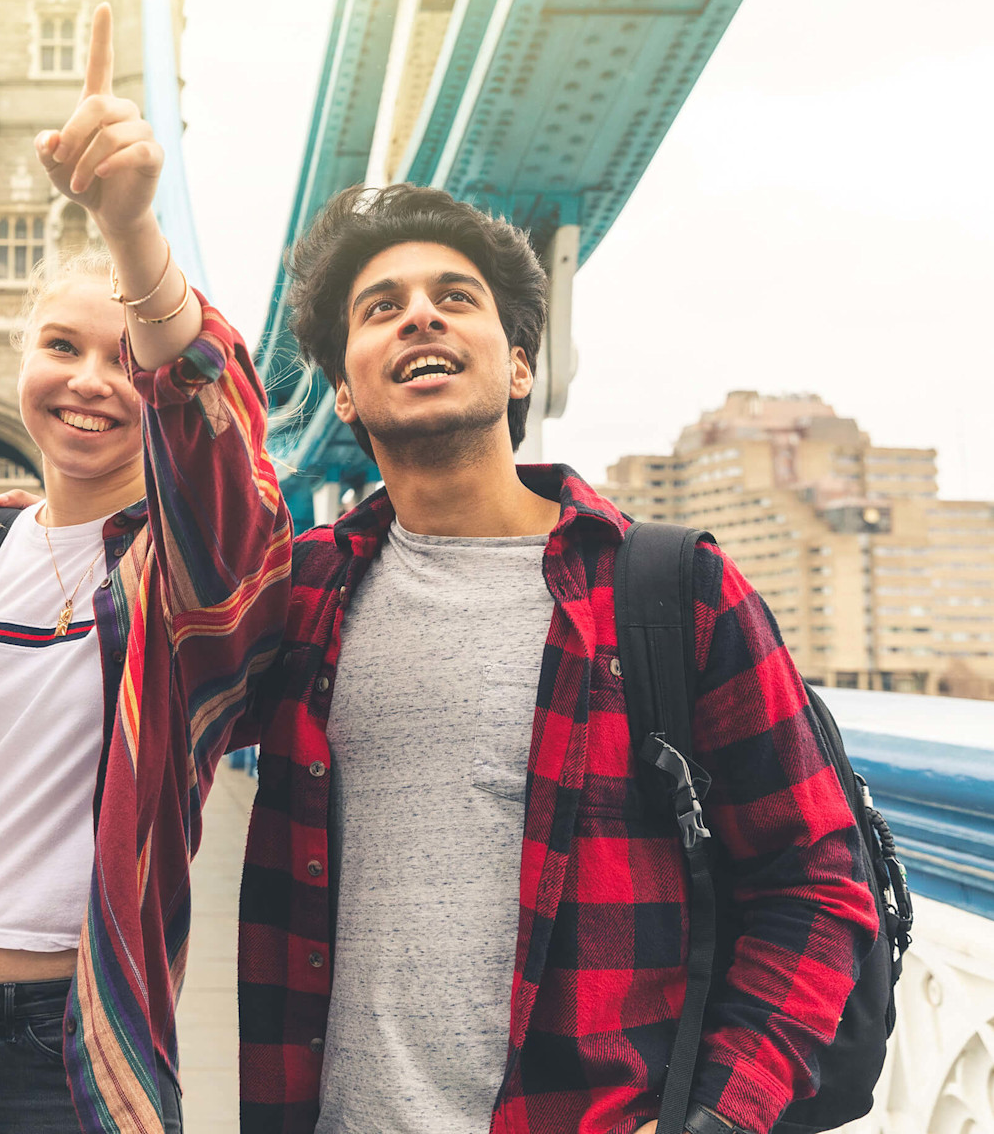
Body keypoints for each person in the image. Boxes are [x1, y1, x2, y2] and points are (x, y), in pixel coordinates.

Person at [236, 183, 879, 1134]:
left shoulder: (673, 591)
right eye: (381, 307)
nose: (420, 313)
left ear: (521, 366)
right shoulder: (298, 594)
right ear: (342, 387)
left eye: (456, 297)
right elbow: (127, 633)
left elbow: (817, 880)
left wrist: (720, 1119)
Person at [0, 4, 292, 1134]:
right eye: (59, 348)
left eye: (119, 354)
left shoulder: (184, 578)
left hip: (59, 1049)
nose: (93, 380)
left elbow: (212, 428)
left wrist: (131, 231)